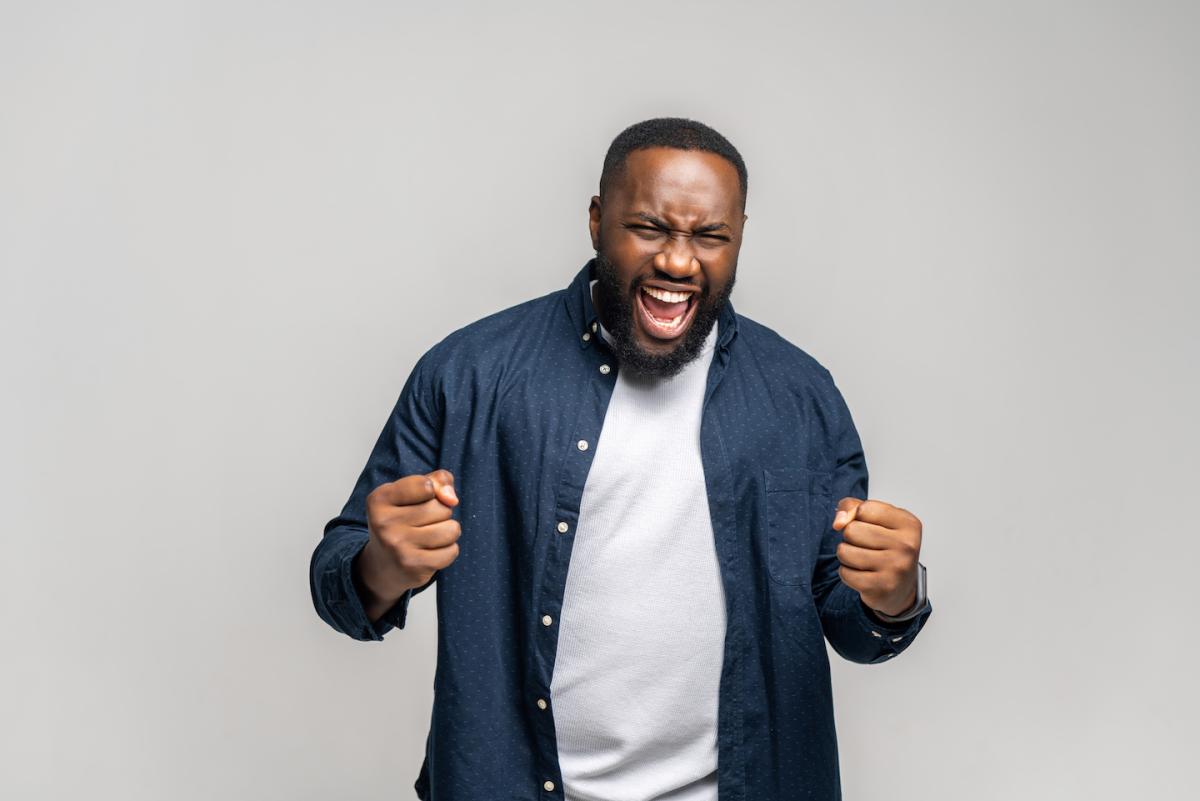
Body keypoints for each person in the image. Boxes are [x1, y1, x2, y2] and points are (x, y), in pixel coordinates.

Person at [310, 117, 933, 801]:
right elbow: (340, 584)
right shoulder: (469, 374)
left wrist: (894, 597)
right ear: (596, 221)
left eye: (710, 236)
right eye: (649, 228)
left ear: (739, 236)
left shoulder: (799, 395)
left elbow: (851, 620)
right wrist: (381, 566)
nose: (678, 262)